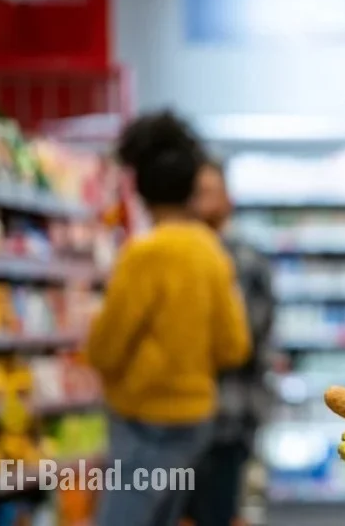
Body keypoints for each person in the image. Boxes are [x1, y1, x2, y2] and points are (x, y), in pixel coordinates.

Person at [84, 111, 251, 526]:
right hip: (195, 420)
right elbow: (234, 345)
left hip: (144, 419)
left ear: (139, 187)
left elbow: (105, 348)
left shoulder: (144, 254)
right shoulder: (210, 250)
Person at [183, 159, 276, 526]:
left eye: (209, 193)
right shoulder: (181, 257)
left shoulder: (245, 261)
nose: (201, 205)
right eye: (195, 194)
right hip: (181, 423)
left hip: (228, 421)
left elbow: (240, 343)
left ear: (227, 202)